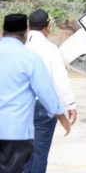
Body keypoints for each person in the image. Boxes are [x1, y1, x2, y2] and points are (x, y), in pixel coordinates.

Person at [0, 14, 70, 173]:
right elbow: (45, 91)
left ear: (3, 31)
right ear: (26, 32)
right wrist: (61, 115)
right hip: (17, 131)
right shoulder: (30, 58)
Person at [23, 9, 77, 173]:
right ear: (48, 26)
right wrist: (70, 104)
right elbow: (61, 79)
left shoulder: (19, 46)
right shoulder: (50, 48)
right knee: (39, 153)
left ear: (28, 26)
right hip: (43, 107)